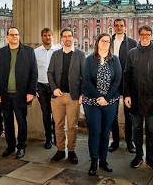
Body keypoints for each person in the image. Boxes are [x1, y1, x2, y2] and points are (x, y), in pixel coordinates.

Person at [123, 25, 153, 170]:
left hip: (152, 100)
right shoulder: (132, 53)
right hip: (135, 99)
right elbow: (126, 76)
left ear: (151, 35)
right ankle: (138, 156)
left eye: (147, 34)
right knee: (136, 129)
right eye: (142, 34)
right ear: (139, 35)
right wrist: (127, 95)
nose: (145, 37)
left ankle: (149, 158)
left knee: (150, 130)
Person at [0, 27, 38, 159]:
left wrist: (31, 92)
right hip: (5, 94)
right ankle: (10, 146)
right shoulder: (0, 53)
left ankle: (21, 146)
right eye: (12, 35)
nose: (15, 37)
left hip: (22, 94)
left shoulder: (28, 51)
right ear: (6, 37)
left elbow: (34, 73)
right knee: (7, 121)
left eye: (17, 34)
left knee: (21, 121)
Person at [82, 33, 122, 176]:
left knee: (105, 131)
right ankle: (94, 161)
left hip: (110, 102)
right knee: (94, 131)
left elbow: (117, 80)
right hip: (91, 102)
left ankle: (103, 161)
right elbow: (86, 80)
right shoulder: (89, 60)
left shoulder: (115, 60)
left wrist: (107, 97)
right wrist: (99, 96)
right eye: (102, 41)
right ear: (97, 42)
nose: (105, 43)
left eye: (108, 41)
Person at [48, 28, 85, 164]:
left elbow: (84, 76)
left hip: (73, 96)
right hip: (57, 96)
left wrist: (82, 93)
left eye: (69, 36)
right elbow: (50, 73)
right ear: (61, 39)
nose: (67, 38)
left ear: (73, 38)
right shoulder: (56, 54)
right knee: (58, 125)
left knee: (72, 126)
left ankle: (71, 151)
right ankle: (60, 150)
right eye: (64, 36)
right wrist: (54, 88)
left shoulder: (80, 55)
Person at [109, 18, 137, 153]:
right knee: (112, 113)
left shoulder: (132, 43)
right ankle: (115, 141)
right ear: (113, 27)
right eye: (117, 26)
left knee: (129, 113)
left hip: (128, 82)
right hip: (112, 81)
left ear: (125, 27)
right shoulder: (107, 42)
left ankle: (129, 142)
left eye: (121, 26)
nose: (119, 28)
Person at [34, 28, 60, 149]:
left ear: (52, 37)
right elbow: (33, 71)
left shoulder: (58, 51)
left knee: (56, 115)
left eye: (49, 35)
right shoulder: (36, 52)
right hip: (42, 87)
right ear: (42, 37)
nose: (48, 37)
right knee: (45, 114)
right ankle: (48, 138)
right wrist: (34, 88)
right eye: (45, 35)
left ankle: (56, 137)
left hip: (55, 87)